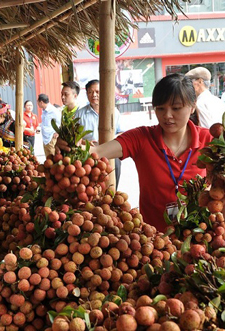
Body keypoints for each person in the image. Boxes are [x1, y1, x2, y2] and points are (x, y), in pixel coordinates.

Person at [58, 73, 212, 233]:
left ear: (192, 106)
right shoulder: (141, 138)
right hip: (154, 243)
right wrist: (70, 146)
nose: (167, 116)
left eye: (176, 108)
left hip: (200, 239)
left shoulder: (209, 141)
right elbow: (96, 152)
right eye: (161, 108)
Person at [76, 79, 124, 187]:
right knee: (91, 187)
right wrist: (84, 142)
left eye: (97, 92)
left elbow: (121, 133)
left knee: (112, 186)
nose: (94, 95)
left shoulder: (114, 112)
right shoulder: (79, 114)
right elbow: (75, 137)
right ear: (87, 94)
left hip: (111, 153)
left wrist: (112, 140)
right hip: (89, 154)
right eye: (90, 92)